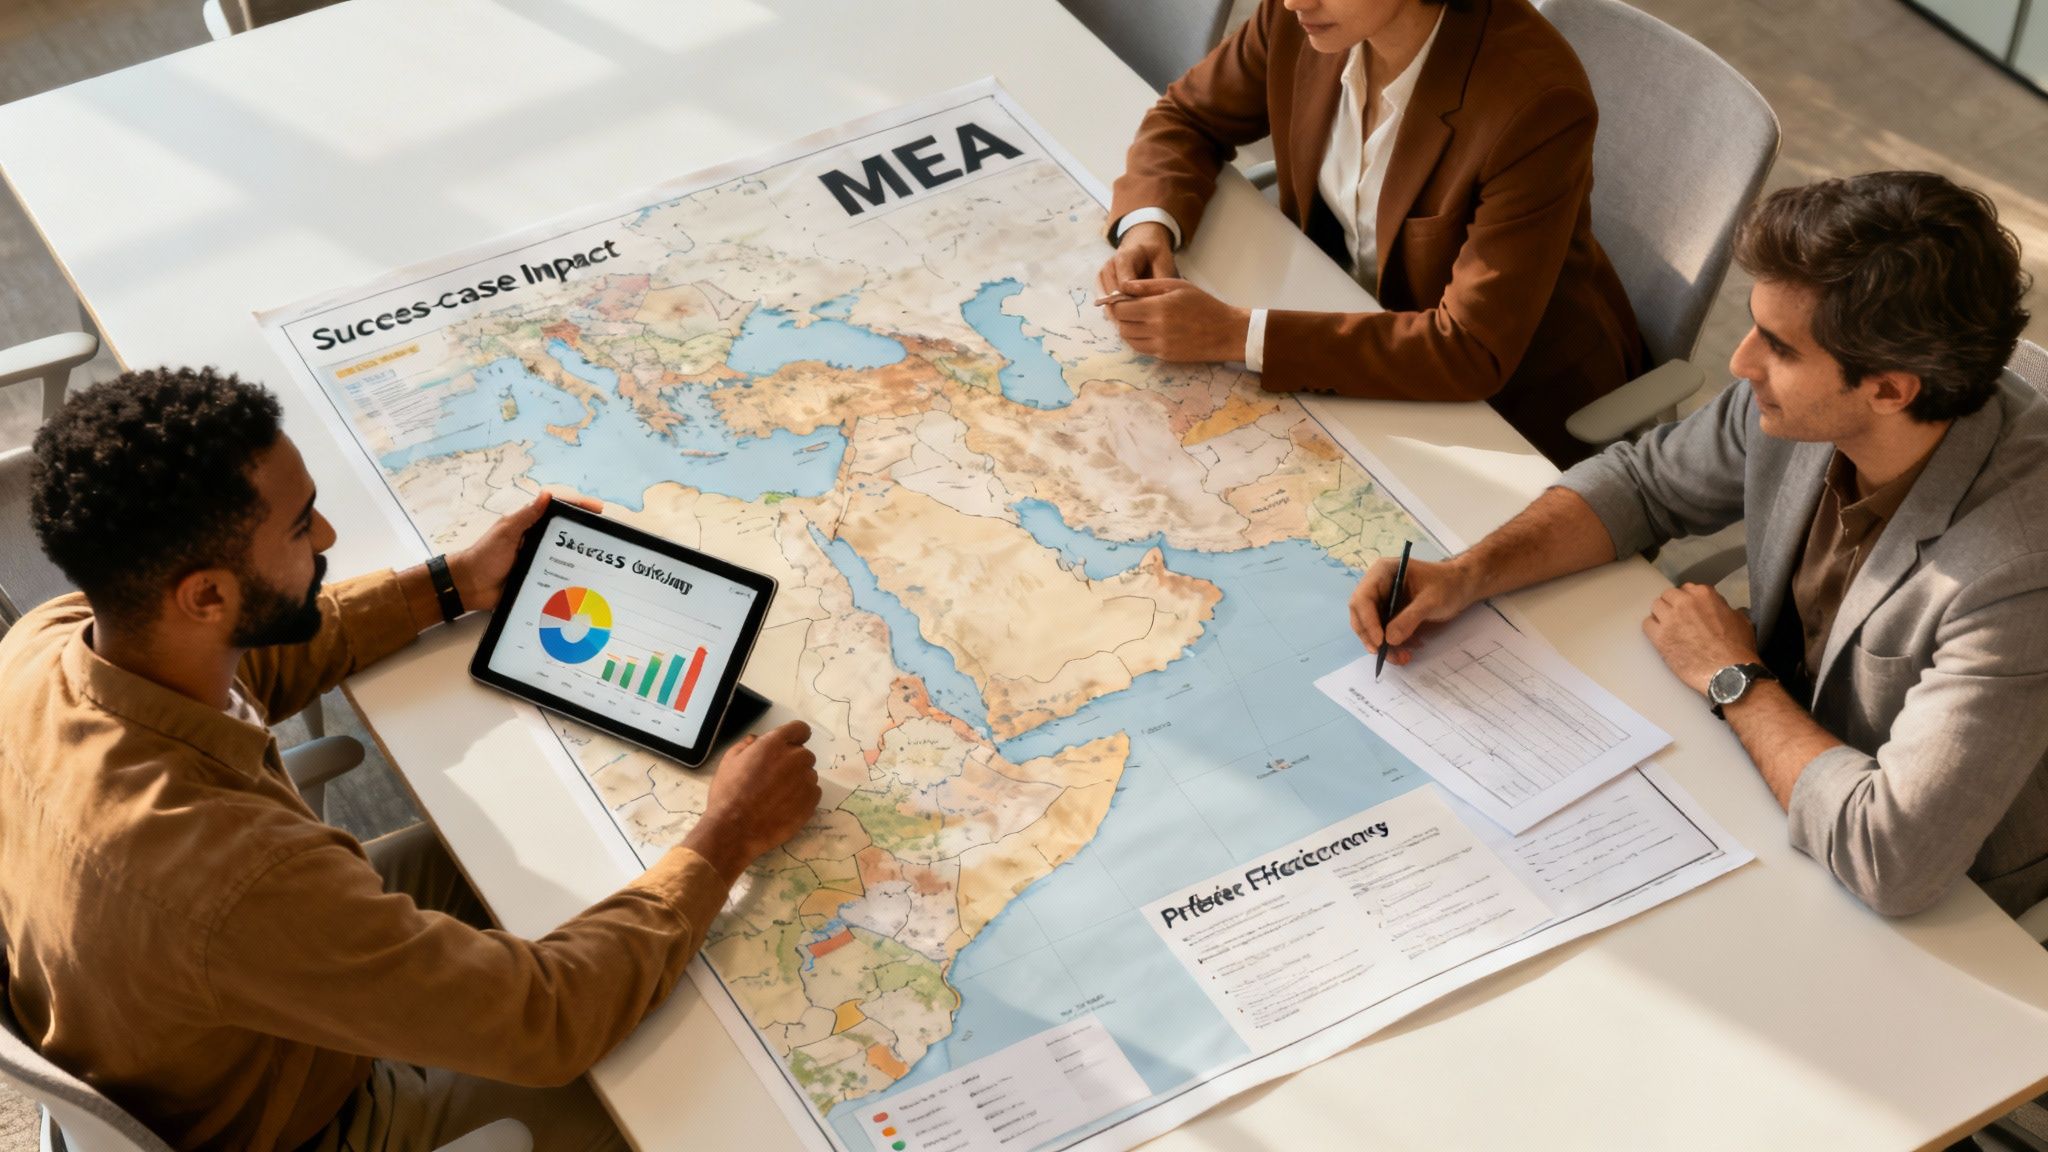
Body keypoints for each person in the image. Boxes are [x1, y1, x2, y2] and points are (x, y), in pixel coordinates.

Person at [0, 368, 823, 1150]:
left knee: (535, 851)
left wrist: (453, 582)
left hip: (191, 1007)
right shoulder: (231, 877)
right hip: (308, 1118)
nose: (326, 535)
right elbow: (547, 1025)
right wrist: (729, 834)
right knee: (677, 1078)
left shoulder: (49, 645)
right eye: (299, 526)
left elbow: (254, 662)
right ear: (207, 596)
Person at [1350, 172, 2045, 918]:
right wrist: (1467, 573)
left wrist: (1734, 678)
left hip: (1940, 903)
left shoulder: (2015, 571)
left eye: (1776, 347)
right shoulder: (1817, 406)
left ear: (1889, 391)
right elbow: (1643, 485)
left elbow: (1894, 858)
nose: (1741, 363)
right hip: (1771, 774)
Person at [1098, 0, 1646, 466]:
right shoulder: (1303, 17)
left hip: (1507, 416)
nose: (1293, 1)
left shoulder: (1535, 104)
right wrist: (1149, 225)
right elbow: (1188, 118)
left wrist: (1235, 335)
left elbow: (1471, 350)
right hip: (1350, 344)